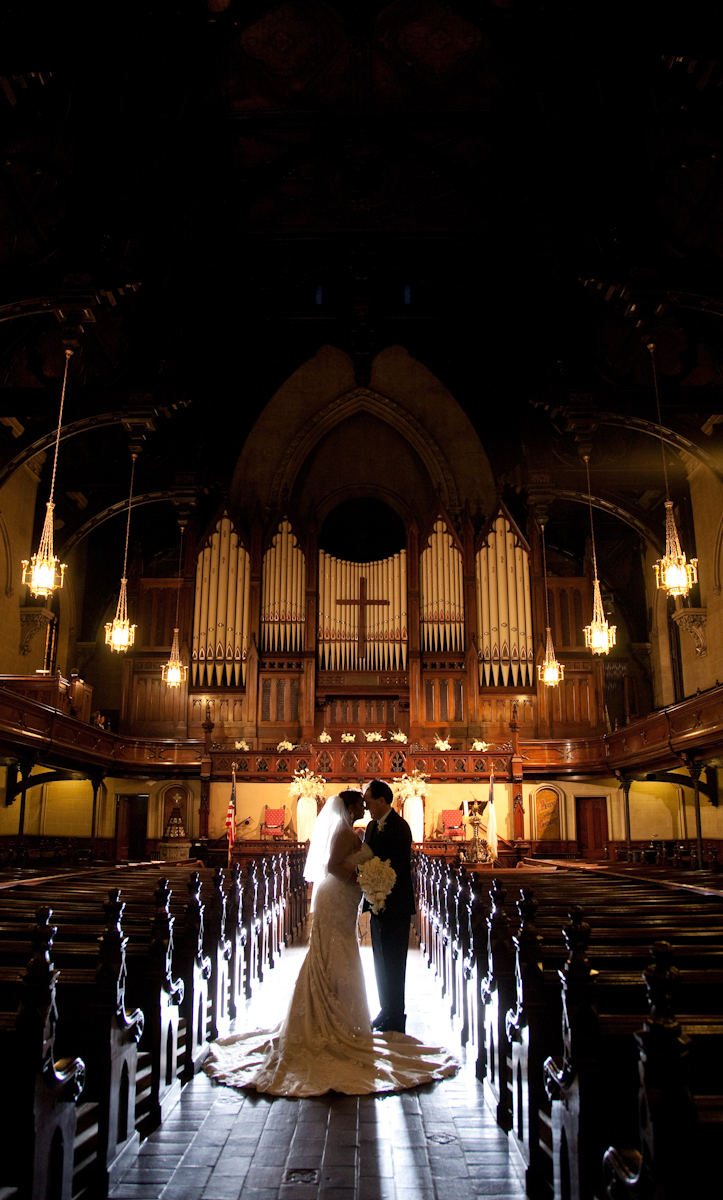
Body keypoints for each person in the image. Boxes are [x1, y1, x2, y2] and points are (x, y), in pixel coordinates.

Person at [203, 788, 457, 1097]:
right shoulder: (344, 831)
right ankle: (330, 1019)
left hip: (359, 900)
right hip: (337, 896)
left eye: (368, 800)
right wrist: (365, 880)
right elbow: (336, 866)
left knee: (345, 953)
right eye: (360, 802)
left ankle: (359, 1015)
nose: (365, 806)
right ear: (351, 808)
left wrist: (369, 879)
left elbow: (383, 861)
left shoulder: (374, 828)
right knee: (334, 952)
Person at [363, 778, 415, 1033]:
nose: (366, 807)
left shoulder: (401, 827)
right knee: (380, 961)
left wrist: (381, 888)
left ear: (382, 801)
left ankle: (397, 1014)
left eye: (369, 802)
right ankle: (385, 1009)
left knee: (395, 961)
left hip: (396, 905)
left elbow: (395, 867)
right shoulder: (371, 827)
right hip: (376, 903)